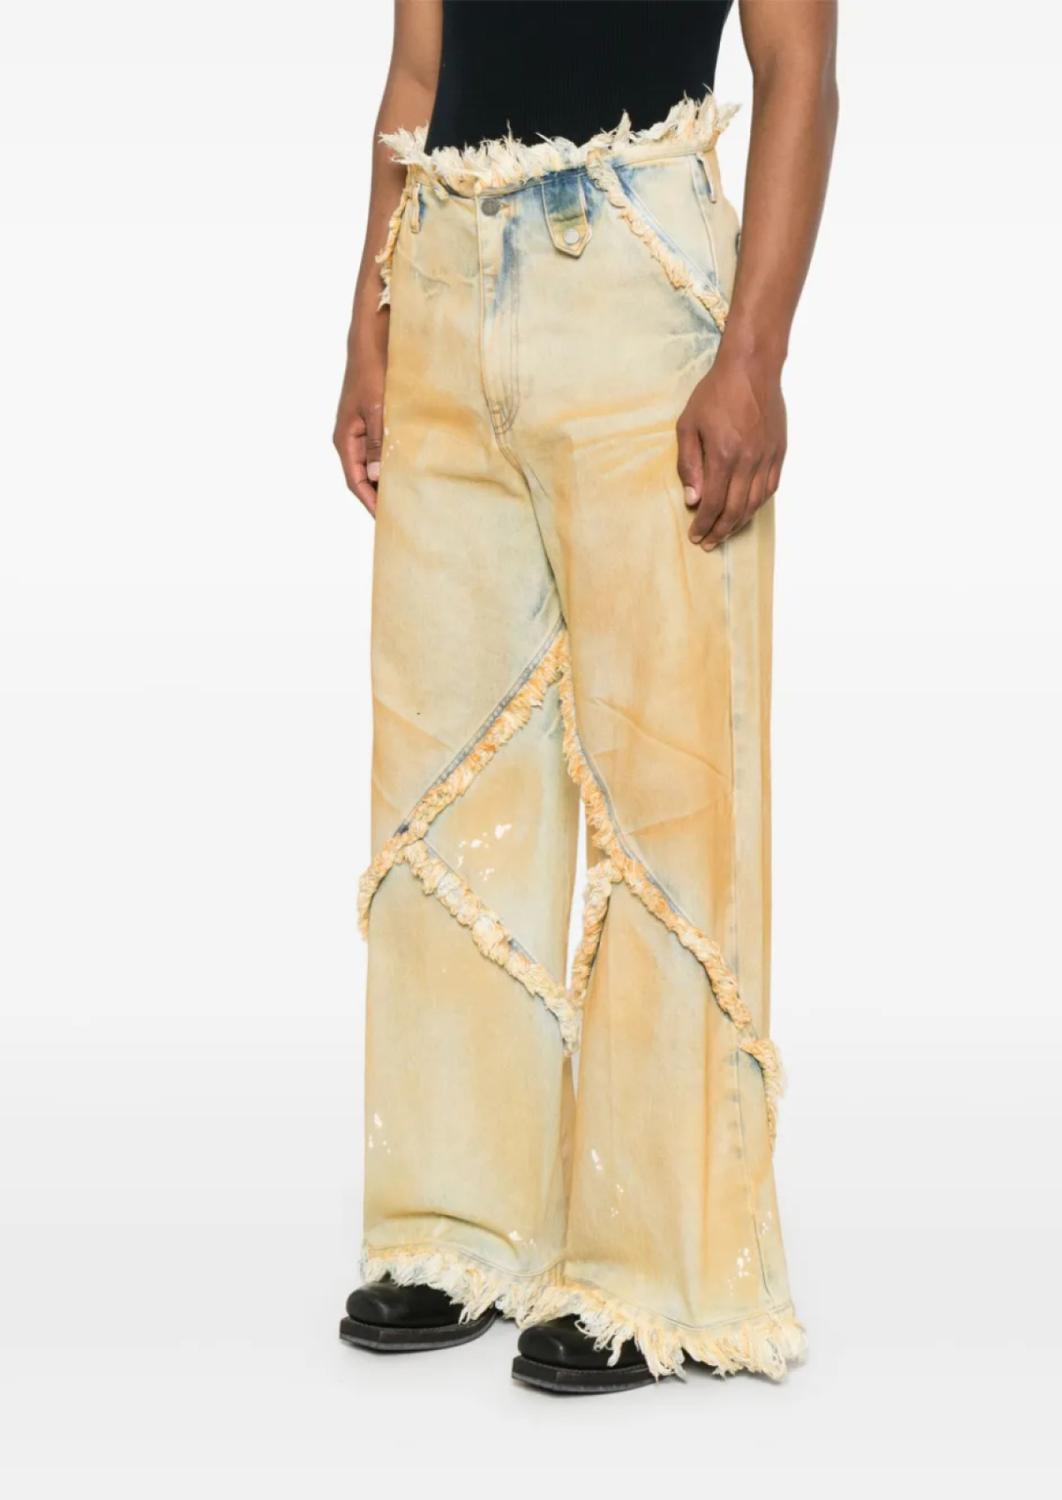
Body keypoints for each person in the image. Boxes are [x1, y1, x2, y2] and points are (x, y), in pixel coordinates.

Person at [333, 0, 837, 1396]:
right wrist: (370, 323)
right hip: (444, 270)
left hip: (636, 279)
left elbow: (798, 64)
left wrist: (754, 356)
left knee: (666, 783)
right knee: (443, 783)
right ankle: (453, 1228)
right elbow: (419, 65)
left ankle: (659, 1269)